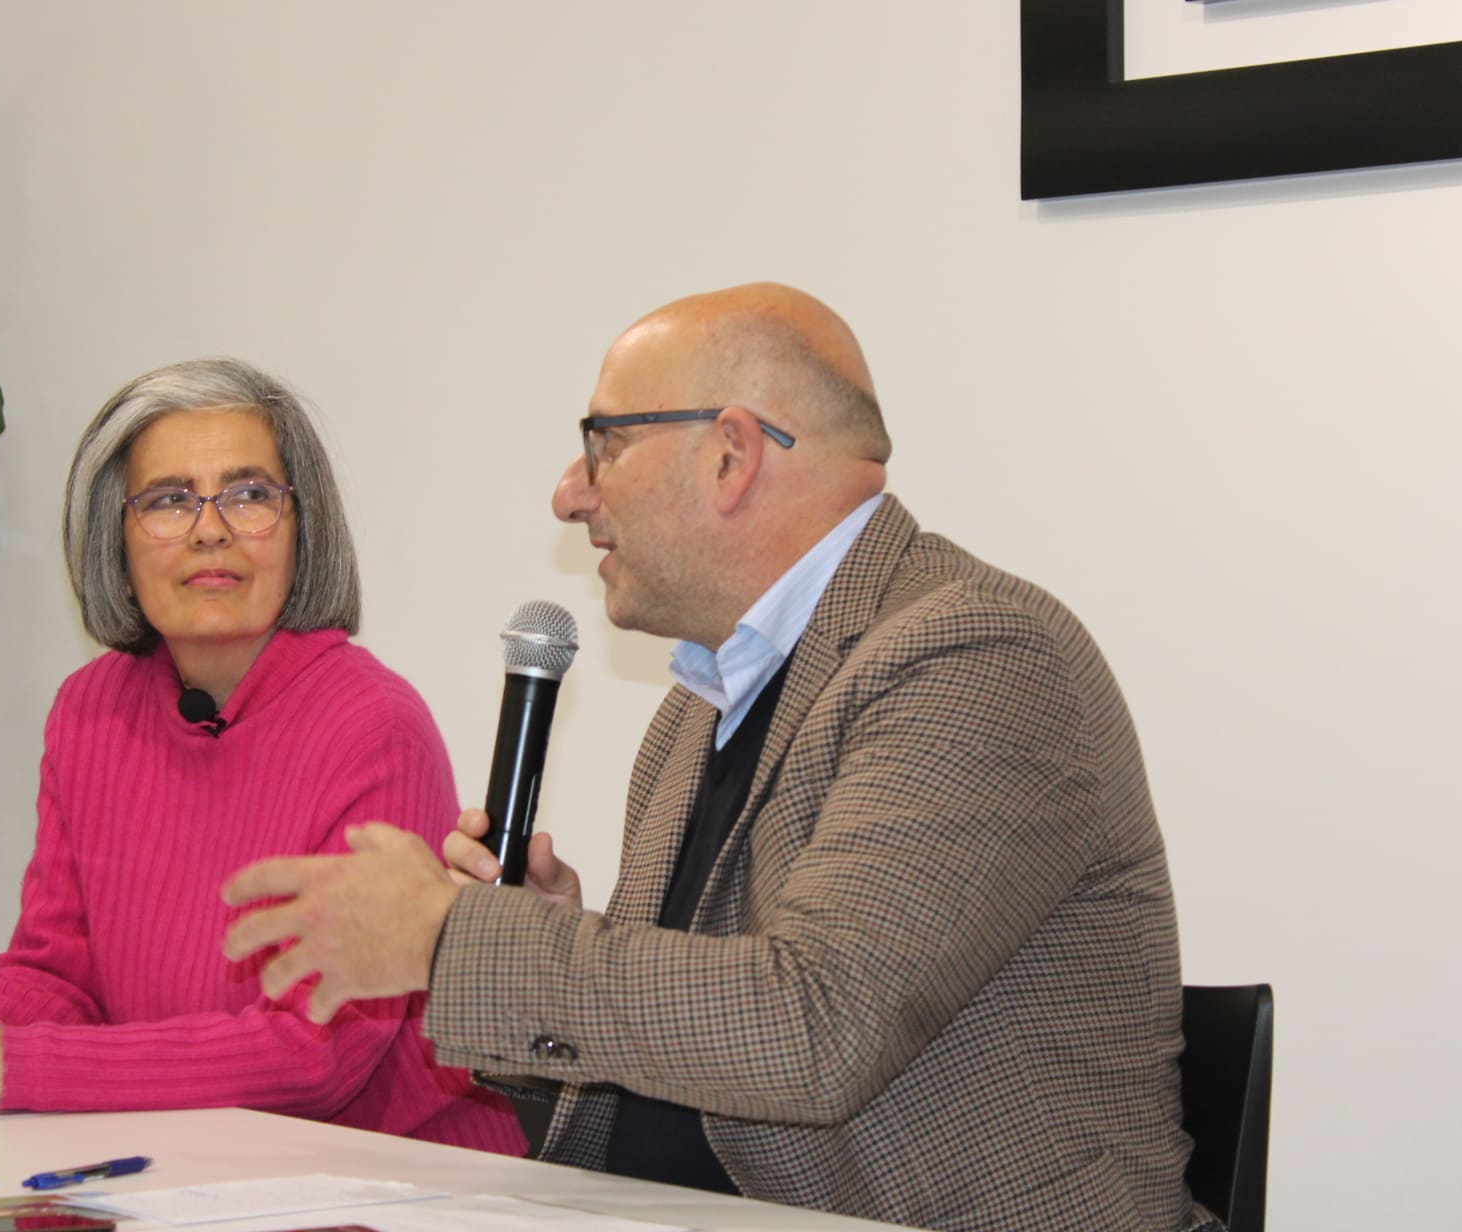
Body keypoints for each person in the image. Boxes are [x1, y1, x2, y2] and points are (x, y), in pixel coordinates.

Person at [221, 285, 1216, 1230]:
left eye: (603, 444)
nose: (570, 494)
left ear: (731, 455)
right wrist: (535, 937)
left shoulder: (975, 653)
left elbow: (813, 1027)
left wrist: (457, 939)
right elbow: (703, 1048)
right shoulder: (700, 706)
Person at [0, 358, 524, 1154]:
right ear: (116, 540)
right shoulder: (91, 709)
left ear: (304, 530)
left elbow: (315, 1054)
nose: (209, 530)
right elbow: (59, 975)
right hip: (176, 1166)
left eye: (249, 494)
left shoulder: (374, 726)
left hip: (387, 1178)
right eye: (167, 500)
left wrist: (10, 1059)